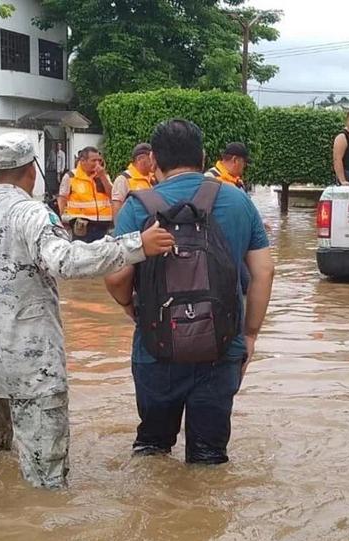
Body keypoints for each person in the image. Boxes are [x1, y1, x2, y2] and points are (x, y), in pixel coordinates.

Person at [0, 133, 174, 489]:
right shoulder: (32, 214)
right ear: (32, 172)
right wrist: (137, 245)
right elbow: (66, 261)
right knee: (47, 482)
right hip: (33, 367)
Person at [105, 119, 274, 465]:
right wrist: (250, 335)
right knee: (209, 459)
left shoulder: (137, 207)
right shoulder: (238, 201)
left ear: (153, 159)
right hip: (222, 348)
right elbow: (264, 272)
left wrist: (128, 306)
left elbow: (116, 277)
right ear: (203, 156)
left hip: (155, 349)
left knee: (151, 451)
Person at [59, 146, 113, 242]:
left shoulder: (103, 175)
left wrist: (103, 177)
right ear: (83, 161)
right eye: (93, 161)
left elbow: (113, 195)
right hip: (82, 226)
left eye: (99, 160)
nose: (97, 164)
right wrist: (60, 222)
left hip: (104, 224)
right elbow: (62, 199)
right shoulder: (71, 177)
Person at [111, 142, 157, 218]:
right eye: (151, 158)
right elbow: (117, 209)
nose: (154, 161)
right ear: (140, 159)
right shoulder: (124, 179)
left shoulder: (153, 178)